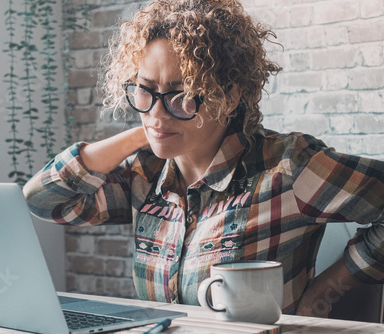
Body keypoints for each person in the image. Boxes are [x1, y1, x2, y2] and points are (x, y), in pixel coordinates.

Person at [23, 0, 384, 317]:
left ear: (228, 98)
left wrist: (328, 289)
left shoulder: (286, 168)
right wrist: (144, 132)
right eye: (144, 90)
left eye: (180, 96)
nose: (157, 113)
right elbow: (44, 199)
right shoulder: (145, 177)